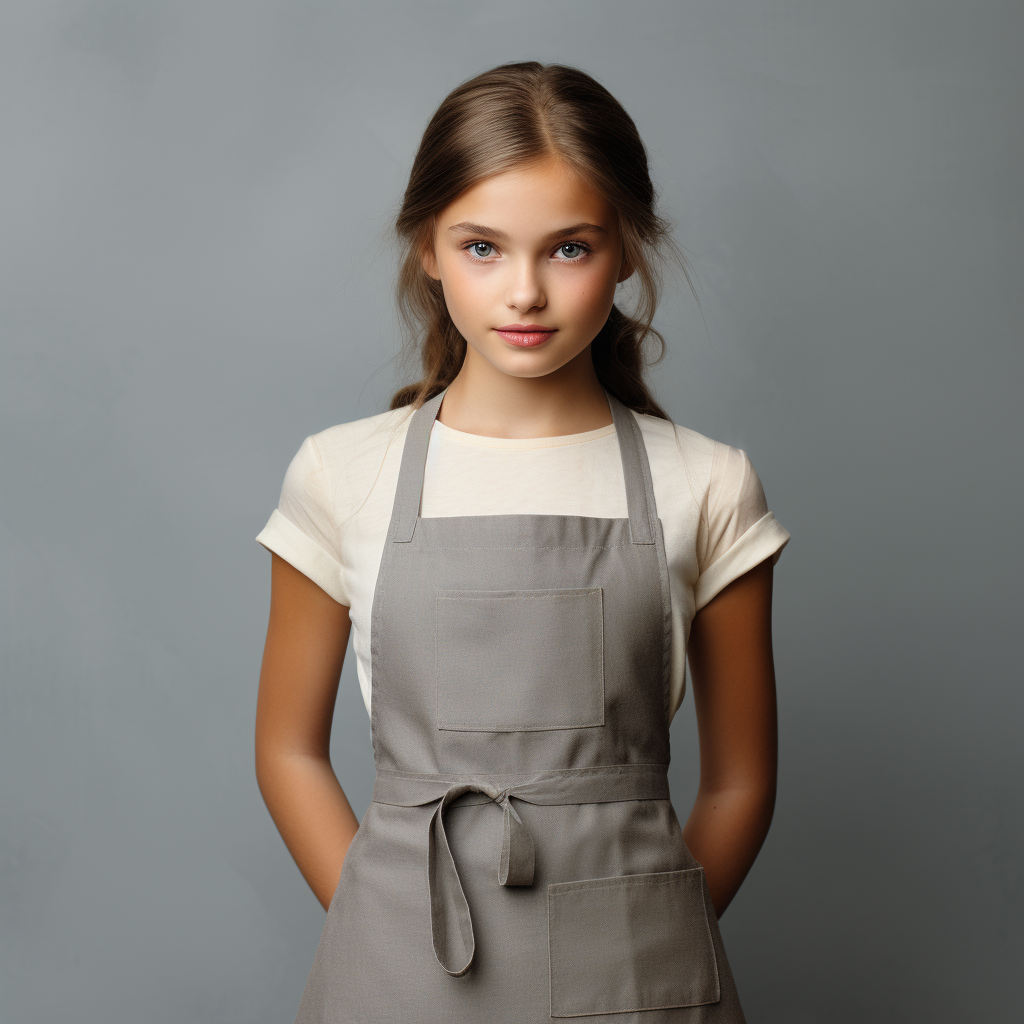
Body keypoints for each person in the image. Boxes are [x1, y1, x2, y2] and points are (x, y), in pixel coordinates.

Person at [254, 61, 790, 1023]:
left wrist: (648, 930)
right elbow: (288, 750)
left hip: (639, 971)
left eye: (570, 249)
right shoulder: (341, 475)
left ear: (626, 250)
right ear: (428, 248)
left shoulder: (706, 484)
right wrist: (382, 928)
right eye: (484, 248)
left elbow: (743, 777)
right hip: (403, 973)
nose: (527, 292)